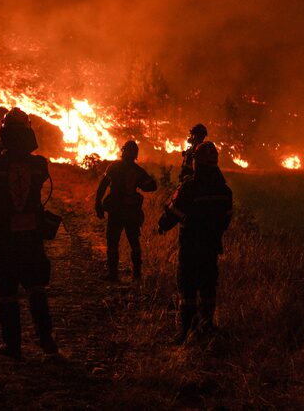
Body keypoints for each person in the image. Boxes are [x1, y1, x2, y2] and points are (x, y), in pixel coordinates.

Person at [0, 108, 58, 359]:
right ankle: (46, 341)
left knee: (7, 292)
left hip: (4, 237)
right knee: (36, 287)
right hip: (31, 236)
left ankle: (13, 346)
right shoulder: (39, 164)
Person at [157, 141, 233, 344]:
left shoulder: (189, 188)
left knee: (187, 287)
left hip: (191, 247)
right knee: (208, 287)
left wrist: (162, 226)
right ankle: (206, 325)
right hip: (211, 247)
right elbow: (226, 219)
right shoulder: (225, 191)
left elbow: (172, 214)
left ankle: (185, 331)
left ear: (196, 163)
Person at [95, 141, 157, 282]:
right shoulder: (137, 171)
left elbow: (102, 186)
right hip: (131, 212)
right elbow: (152, 186)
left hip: (116, 211)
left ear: (123, 152)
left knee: (112, 241)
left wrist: (98, 204)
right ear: (135, 154)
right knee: (134, 242)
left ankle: (113, 274)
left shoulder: (114, 167)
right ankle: (137, 275)